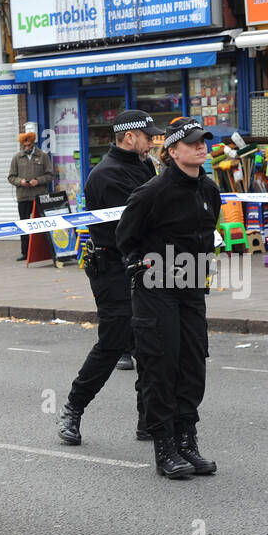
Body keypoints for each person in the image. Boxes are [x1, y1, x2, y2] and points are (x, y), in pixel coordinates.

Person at [116, 117, 221, 479]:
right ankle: (164, 448)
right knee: (162, 365)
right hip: (156, 286)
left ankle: (187, 442)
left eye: (203, 141)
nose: (200, 146)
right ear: (173, 151)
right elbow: (125, 239)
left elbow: (207, 236)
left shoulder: (209, 191)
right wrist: (138, 265)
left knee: (193, 364)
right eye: (192, 142)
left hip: (191, 286)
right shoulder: (152, 192)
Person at [57, 110, 163, 446]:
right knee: (115, 341)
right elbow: (133, 226)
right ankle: (73, 409)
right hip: (112, 268)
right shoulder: (106, 175)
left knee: (149, 341)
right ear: (129, 137)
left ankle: (148, 420)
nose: (152, 142)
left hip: (143, 264)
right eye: (148, 137)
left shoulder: (144, 165)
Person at [7, 130, 54, 261]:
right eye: (24, 145)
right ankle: (25, 252)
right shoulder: (16, 158)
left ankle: (47, 251)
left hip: (39, 196)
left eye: (29, 145)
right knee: (24, 225)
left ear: (33, 143)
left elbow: (50, 175)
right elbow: (11, 177)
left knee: (42, 224)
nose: (26, 147)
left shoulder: (43, 156)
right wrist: (20, 182)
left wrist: (38, 181)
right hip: (23, 197)